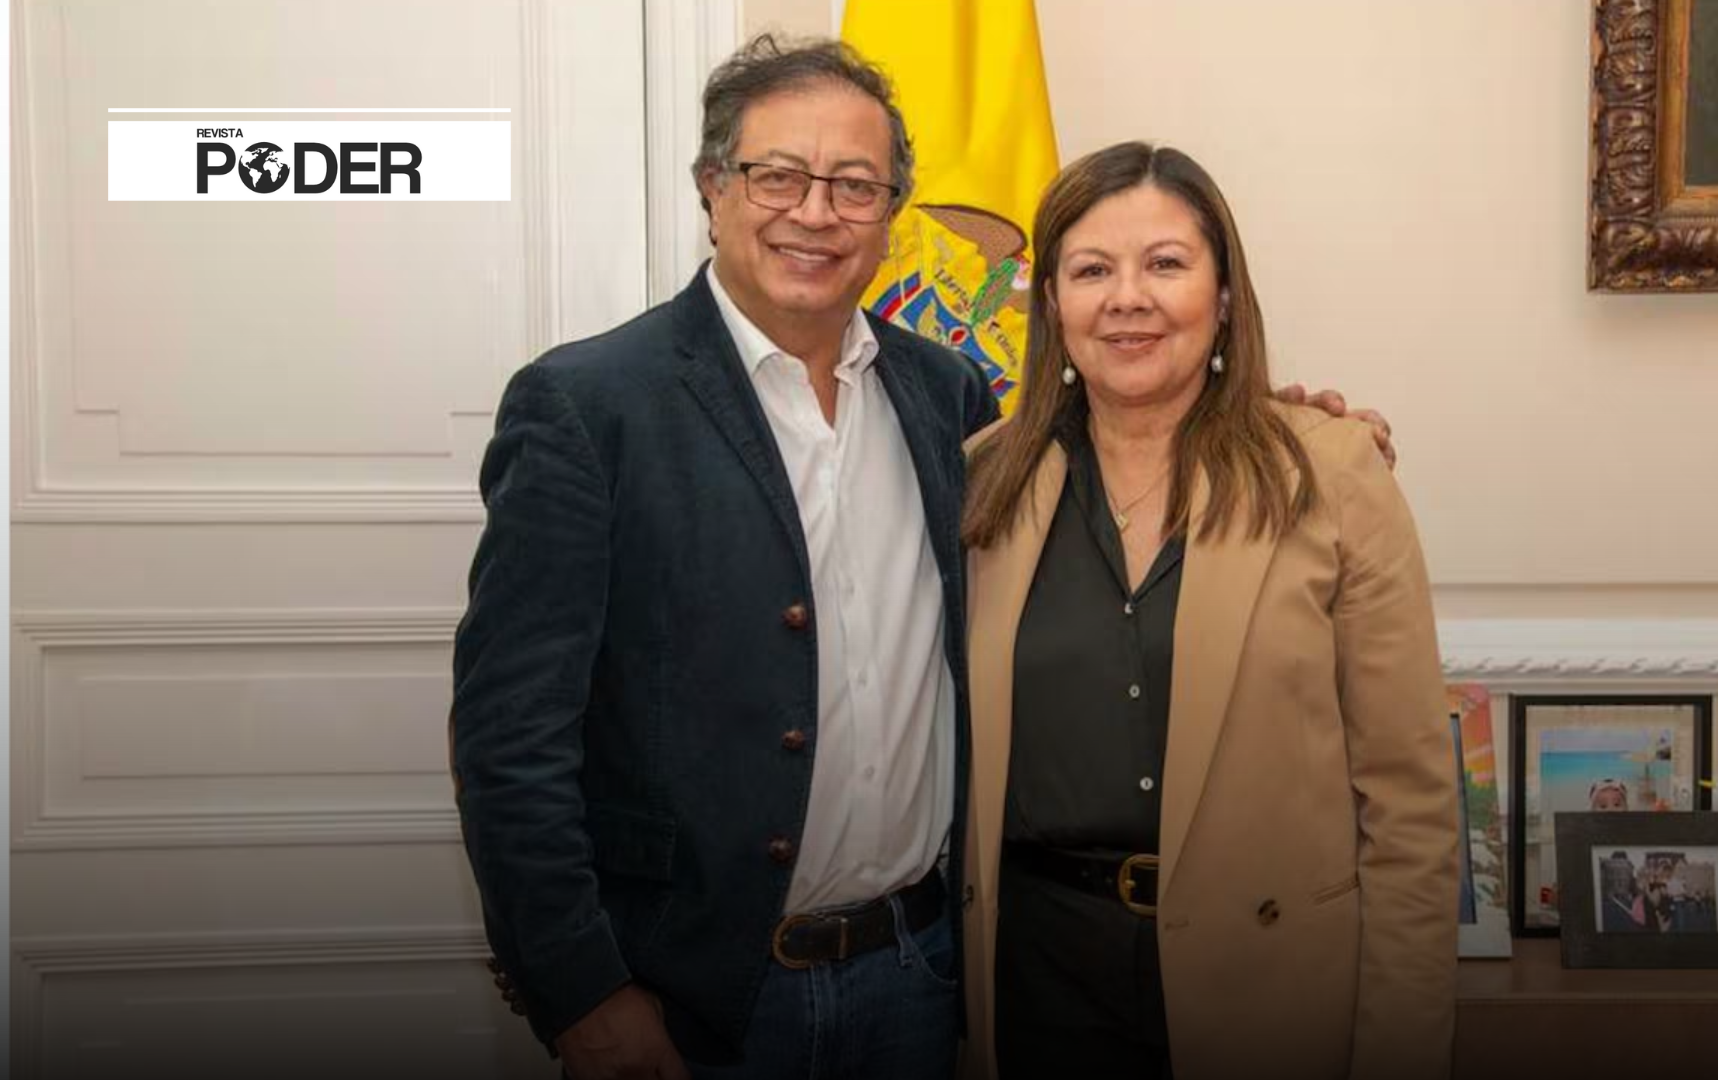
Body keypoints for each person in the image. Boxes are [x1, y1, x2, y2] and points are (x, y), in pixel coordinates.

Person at [454, 34, 1397, 1080]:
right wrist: (581, 990)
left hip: (923, 980)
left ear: (894, 213)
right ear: (713, 190)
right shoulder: (589, 408)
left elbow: (1129, 446)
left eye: (855, 185)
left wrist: (1287, 422)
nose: (817, 212)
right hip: (699, 1001)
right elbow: (509, 736)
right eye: (779, 176)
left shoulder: (951, 403)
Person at [956, 143, 1456, 1080]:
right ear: (1050, 303)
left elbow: (1409, 805)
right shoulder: (981, 481)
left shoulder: (1332, 472)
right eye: (1091, 271)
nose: (1127, 298)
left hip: (1269, 983)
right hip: (1036, 982)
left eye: (1165, 264)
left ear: (1224, 296)